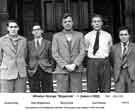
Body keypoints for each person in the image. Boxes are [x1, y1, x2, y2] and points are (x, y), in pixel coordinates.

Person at [52, 13, 85, 92]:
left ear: (72, 23)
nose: (67, 23)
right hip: (62, 70)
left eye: (69, 21)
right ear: (62, 24)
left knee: (77, 95)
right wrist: (65, 65)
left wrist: (75, 64)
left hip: (76, 69)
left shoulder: (79, 35)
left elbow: (83, 51)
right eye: (65, 22)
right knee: (62, 96)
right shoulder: (56, 36)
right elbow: (55, 53)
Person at [85, 14, 112, 92]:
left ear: (102, 23)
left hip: (104, 62)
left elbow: (110, 49)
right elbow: (86, 50)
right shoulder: (87, 36)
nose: (96, 23)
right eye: (94, 21)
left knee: (105, 86)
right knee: (92, 86)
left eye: (98, 21)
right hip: (92, 63)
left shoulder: (108, 35)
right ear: (91, 24)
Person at [0, 20, 27, 93]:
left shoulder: (23, 40)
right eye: (11, 27)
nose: (13, 29)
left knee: (20, 97)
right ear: (7, 28)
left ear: (18, 28)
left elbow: (25, 55)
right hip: (7, 73)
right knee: (7, 98)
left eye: (15, 27)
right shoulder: (2, 40)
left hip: (20, 73)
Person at [27, 23, 53, 92]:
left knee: (48, 91)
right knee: (34, 91)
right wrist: (29, 67)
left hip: (46, 69)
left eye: (38, 29)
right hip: (33, 70)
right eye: (34, 30)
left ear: (42, 31)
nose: (36, 31)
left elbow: (51, 57)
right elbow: (26, 57)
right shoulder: (28, 44)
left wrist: (50, 67)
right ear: (32, 32)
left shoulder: (48, 43)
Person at [111, 26, 135, 92]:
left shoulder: (134, 47)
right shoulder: (114, 48)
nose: (123, 36)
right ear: (119, 36)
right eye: (121, 35)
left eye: (125, 34)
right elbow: (112, 61)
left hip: (132, 75)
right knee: (120, 97)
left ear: (129, 35)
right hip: (119, 74)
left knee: (132, 97)